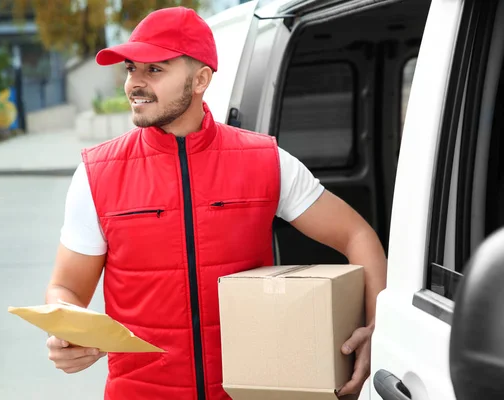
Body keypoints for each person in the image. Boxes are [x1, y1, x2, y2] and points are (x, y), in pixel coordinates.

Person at [44, 6, 387, 400]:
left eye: (154, 70)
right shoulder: (96, 173)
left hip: (250, 392)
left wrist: (378, 328)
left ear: (201, 79)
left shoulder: (264, 161)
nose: (135, 84)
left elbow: (358, 235)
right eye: (130, 69)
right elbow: (65, 287)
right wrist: (66, 330)